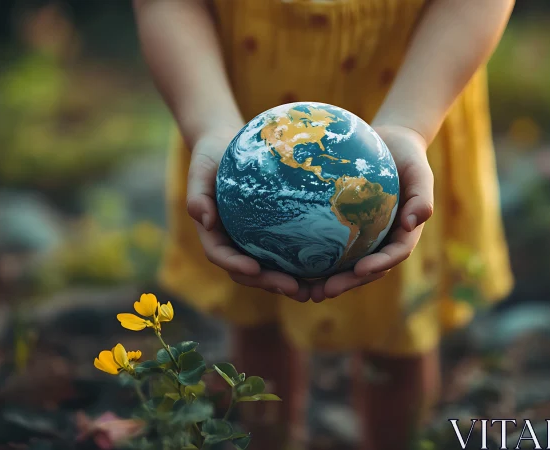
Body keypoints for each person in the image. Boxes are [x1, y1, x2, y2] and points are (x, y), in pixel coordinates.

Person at [132, 0, 514, 449]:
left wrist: (410, 125)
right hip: (239, 115)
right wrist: (212, 126)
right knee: (258, 320)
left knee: (398, 331)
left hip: (414, 88)